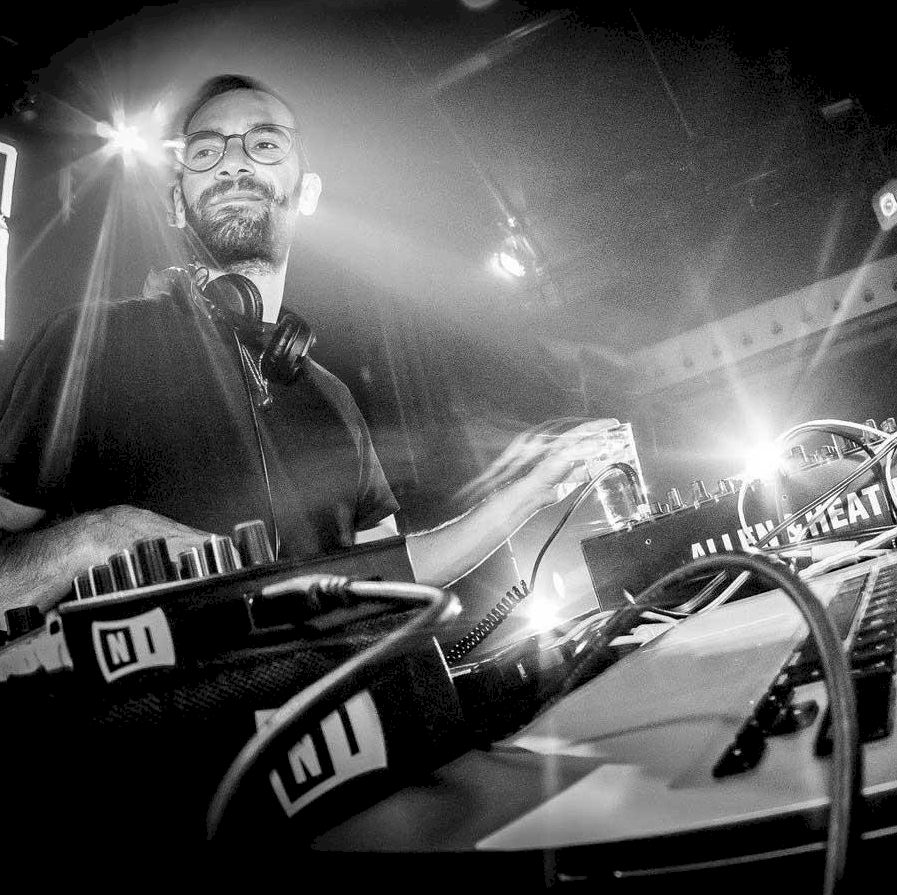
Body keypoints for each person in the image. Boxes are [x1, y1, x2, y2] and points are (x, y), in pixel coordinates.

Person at [0, 74, 617, 616]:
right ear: (176, 205)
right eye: (205, 150)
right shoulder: (90, 345)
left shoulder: (331, 398)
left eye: (265, 144)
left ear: (309, 192)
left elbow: (387, 580)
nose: (232, 163)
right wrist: (101, 539)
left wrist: (528, 492)